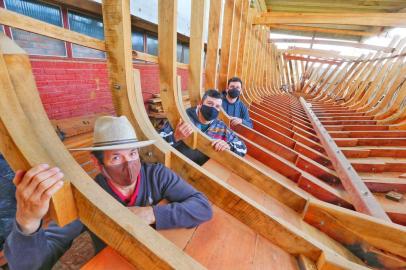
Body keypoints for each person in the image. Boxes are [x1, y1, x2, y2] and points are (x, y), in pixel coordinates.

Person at [4, 116, 212, 270]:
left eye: (132, 153)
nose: (129, 164)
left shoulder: (157, 175)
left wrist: (152, 213)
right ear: (97, 163)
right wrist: (28, 222)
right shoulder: (88, 197)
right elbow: (30, 266)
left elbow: (203, 206)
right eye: (116, 158)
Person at [160, 90, 247, 165]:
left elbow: (242, 148)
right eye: (210, 103)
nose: (213, 108)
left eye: (217, 106)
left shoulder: (220, 126)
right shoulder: (182, 119)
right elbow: (158, 140)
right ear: (201, 104)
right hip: (177, 168)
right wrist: (175, 137)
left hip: (204, 172)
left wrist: (228, 146)